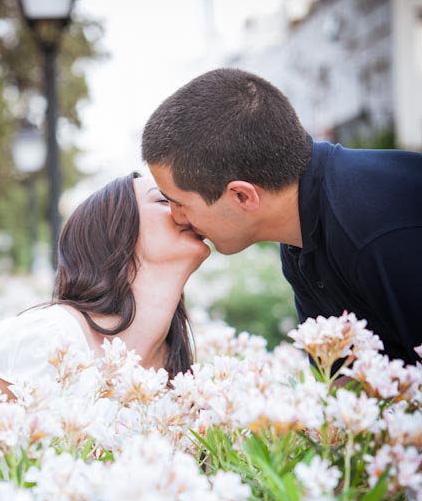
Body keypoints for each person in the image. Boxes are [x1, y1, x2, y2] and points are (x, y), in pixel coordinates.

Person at [141, 67, 422, 365]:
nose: (177, 218)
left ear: (242, 196)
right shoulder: (299, 239)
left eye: (178, 203)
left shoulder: (374, 230)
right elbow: (342, 383)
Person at [0, 172, 210, 398]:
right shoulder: (42, 341)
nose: (184, 208)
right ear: (115, 234)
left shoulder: (183, 380)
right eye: (163, 200)